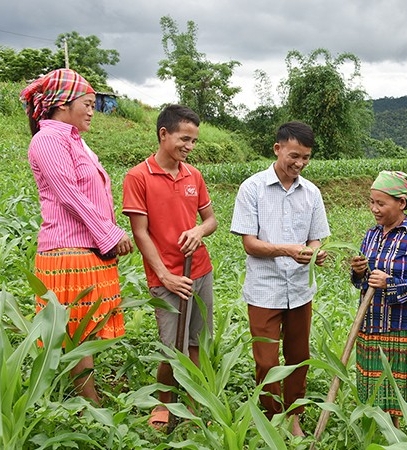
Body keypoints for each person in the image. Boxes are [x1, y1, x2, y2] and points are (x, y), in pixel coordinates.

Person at [20, 68, 133, 405]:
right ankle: (87, 401)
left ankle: (84, 393)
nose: (91, 110)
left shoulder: (74, 141)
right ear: (63, 104)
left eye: (94, 105)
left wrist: (105, 238)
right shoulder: (47, 140)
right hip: (68, 249)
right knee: (78, 331)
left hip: (87, 249)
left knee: (86, 328)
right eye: (87, 103)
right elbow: (69, 195)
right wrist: (109, 234)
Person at [230, 121, 330, 437]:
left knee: (299, 357)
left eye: (306, 158)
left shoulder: (311, 192)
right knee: (267, 360)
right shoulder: (252, 188)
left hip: (300, 289)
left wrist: (314, 253)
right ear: (278, 149)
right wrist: (287, 250)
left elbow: (316, 238)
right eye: (294, 155)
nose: (299, 163)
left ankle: (294, 415)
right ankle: (273, 417)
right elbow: (250, 243)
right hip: (264, 290)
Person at [122, 104, 217, 429]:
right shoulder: (138, 177)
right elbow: (140, 232)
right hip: (167, 278)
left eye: (193, 141)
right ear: (164, 134)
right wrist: (165, 275)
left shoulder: (194, 175)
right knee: (170, 345)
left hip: (200, 270)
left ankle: (191, 400)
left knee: (196, 342)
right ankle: (163, 403)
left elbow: (211, 220)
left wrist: (198, 230)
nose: (189, 147)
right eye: (184, 139)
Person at [349, 171, 407, 426]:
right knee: (375, 393)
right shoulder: (372, 235)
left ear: (402, 203)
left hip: (404, 328)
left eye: (381, 203)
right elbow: (361, 283)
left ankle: (401, 437)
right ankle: (380, 434)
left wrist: (391, 284)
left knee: (400, 394)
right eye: (372, 202)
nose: (374, 209)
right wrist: (359, 271)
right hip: (371, 323)